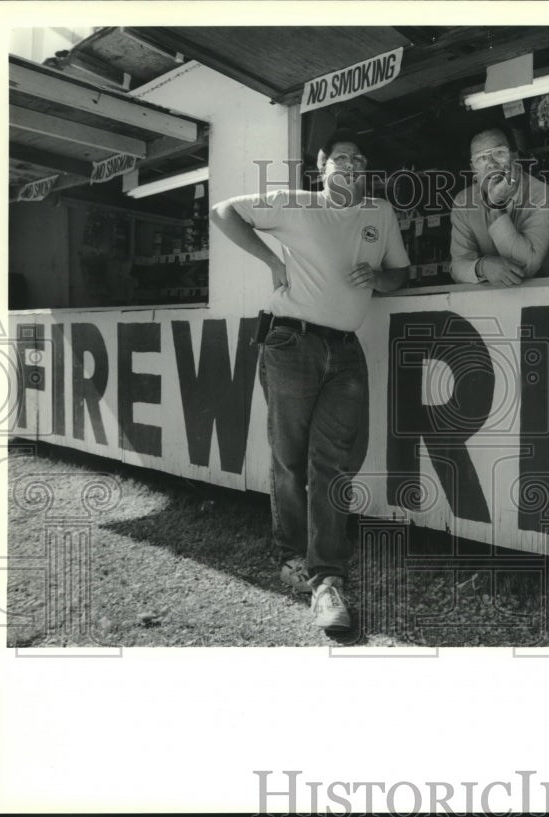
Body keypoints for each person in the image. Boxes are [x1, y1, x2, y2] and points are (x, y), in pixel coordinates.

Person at [209, 130, 410, 631]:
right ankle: (294, 557)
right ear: (321, 165)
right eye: (341, 158)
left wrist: (378, 279)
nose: (350, 166)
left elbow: (399, 275)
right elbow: (223, 213)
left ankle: (326, 578)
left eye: (359, 160)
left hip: (345, 350)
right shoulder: (296, 203)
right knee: (289, 458)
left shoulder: (379, 214)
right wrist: (273, 261)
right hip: (290, 343)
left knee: (332, 463)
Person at [450, 127, 549, 286]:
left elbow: (527, 266)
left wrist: (495, 206)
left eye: (499, 153)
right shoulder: (463, 202)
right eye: (481, 159)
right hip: (492, 298)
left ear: (515, 157)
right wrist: (482, 267)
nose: (491, 164)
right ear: (473, 170)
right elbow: (457, 266)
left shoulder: (542, 195)